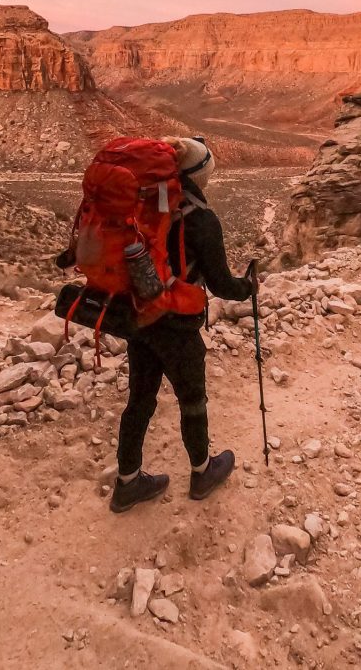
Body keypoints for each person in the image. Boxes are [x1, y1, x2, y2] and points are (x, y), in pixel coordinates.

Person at [110, 136, 252, 513]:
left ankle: (127, 482)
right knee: (192, 399)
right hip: (176, 324)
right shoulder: (201, 220)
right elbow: (221, 284)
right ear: (197, 175)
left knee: (139, 399)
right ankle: (202, 471)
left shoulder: (143, 206)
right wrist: (248, 288)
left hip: (140, 317)